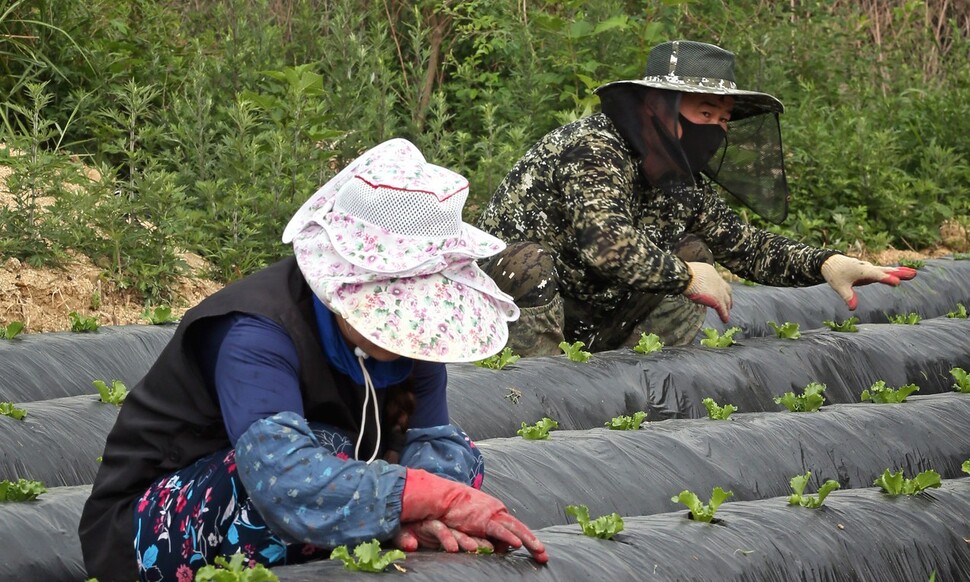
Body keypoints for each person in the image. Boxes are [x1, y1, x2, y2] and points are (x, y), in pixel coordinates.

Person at [79, 139, 549, 582]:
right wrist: (434, 498)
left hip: (308, 504)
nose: (408, 330)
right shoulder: (257, 331)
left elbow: (435, 442)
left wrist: (429, 511)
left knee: (455, 454)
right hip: (146, 527)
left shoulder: (418, 343)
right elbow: (281, 476)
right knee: (317, 457)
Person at [476, 39, 917, 357]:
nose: (717, 129)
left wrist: (826, 262)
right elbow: (607, 245)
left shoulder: (678, 177)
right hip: (519, 304)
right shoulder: (596, 148)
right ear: (656, 109)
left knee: (694, 251)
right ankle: (536, 385)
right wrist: (687, 278)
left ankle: (639, 377)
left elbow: (747, 246)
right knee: (527, 261)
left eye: (724, 119)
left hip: (599, 311)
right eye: (705, 113)